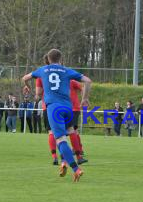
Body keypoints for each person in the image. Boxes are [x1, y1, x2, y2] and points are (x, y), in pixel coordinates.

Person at [22, 48, 92, 182]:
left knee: (59, 139)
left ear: (48, 59)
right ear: (60, 59)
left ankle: (76, 169)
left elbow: (25, 78)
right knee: (70, 132)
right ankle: (64, 162)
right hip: (68, 108)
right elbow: (87, 81)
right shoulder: (66, 70)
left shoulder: (42, 70)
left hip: (53, 109)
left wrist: (27, 86)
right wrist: (85, 98)